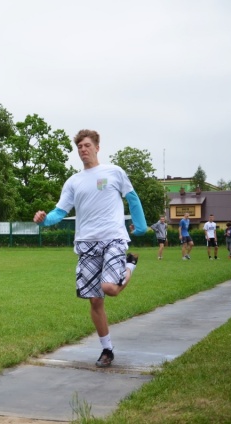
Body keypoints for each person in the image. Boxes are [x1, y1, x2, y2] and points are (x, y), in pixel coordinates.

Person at [33, 129, 147, 368]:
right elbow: (60, 212)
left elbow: (133, 198)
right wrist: (44, 220)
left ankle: (129, 266)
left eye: (87, 145)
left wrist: (141, 226)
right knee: (95, 300)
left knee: (110, 288)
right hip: (86, 244)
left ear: (97, 147)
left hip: (113, 238)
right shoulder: (73, 182)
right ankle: (107, 349)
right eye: (79, 147)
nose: (83, 150)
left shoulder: (114, 172)